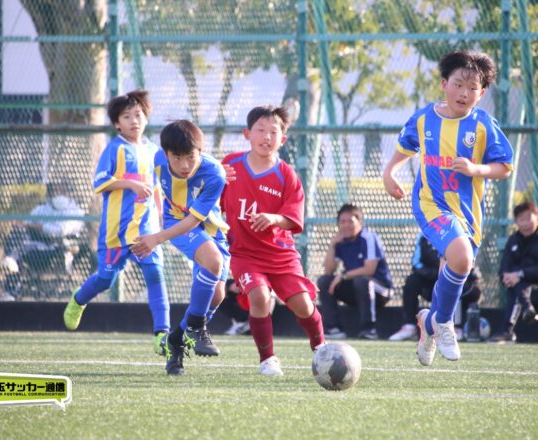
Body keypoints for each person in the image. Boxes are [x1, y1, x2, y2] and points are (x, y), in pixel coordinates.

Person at [382, 50, 513, 366]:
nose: (464, 93)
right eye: (458, 84)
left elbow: (504, 166)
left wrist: (475, 169)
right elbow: (405, 147)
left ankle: (428, 323)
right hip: (431, 205)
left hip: (467, 213)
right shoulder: (425, 118)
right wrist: (389, 173)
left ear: (482, 93)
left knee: (457, 267)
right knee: (462, 257)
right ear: (444, 84)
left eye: (472, 88)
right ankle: (444, 323)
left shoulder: (483, 125)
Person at [62, 90, 171, 362]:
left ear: (146, 118)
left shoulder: (155, 152)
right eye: (127, 116)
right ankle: (79, 299)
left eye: (139, 115)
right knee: (105, 279)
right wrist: (130, 184)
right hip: (115, 233)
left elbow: (158, 187)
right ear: (117, 124)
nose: (135, 120)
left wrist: (162, 216)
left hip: (146, 232)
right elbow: (99, 183)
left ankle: (162, 333)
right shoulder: (114, 149)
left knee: (155, 275)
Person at [220, 105, 325, 377]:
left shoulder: (287, 175)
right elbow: (210, 197)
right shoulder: (229, 166)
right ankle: (267, 359)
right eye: (261, 130)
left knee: (303, 305)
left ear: (283, 139)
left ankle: (321, 348)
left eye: (273, 132)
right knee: (260, 297)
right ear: (247, 134)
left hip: (281, 255)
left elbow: (293, 219)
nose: (267, 137)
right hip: (244, 254)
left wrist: (273, 218)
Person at [131, 119, 230, 376]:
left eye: (191, 157)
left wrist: (156, 238)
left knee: (217, 295)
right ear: (166, 154)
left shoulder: (214, 174)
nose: (184, 165)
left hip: (209, 227)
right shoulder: (156, 159)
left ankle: (175, 341)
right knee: (214, 261)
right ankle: (196, 327)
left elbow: (195, 220)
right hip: (177, 221)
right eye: (177, 158)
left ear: (201, 151)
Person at [317, 203, 394, 340]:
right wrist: (332, 245)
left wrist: (343, 275)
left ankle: (369, 330)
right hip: (356, 288)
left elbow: (369, 270)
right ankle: (334, 329)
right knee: (324, 282)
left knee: (362, 281)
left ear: (359, 222)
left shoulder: (369, 238)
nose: (346, 225)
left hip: (381, 290)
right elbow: (328, 270)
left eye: (350, 221)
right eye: (342, 222)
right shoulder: (341, 241)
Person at [0, 182, 85, 301]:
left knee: (19, 252)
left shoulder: (76, 212)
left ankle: (10, 288)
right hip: (33, 245)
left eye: (61, 190)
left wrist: (38, 227)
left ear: (69, 192)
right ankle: (10, 270)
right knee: (18, 236)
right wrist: (21, 225)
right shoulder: (42, 209)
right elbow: (27, 223)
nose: (58, 194)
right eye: (54, 191)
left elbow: (60, 230)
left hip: (54, 251)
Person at [490, 201, 538, 342]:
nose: (524, 223)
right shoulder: (513, 240)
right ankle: (527, 307)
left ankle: (507, 331)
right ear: (516, 222)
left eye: (528, 218)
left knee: (518, 283)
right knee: (517, 282)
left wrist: (520, 275)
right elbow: (504, 269)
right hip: (522, 291)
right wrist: (508, 277)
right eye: (520, 219)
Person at [389, 232, 482, 341]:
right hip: (432, 280)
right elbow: (416, 264)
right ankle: (410, 326)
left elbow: (468, 265)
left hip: (462, 281)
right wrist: (437, 274)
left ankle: (454, 327)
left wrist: (449, 275)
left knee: (453, 283)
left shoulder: (462, 233)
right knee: (412, 281)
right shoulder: (425, 234)